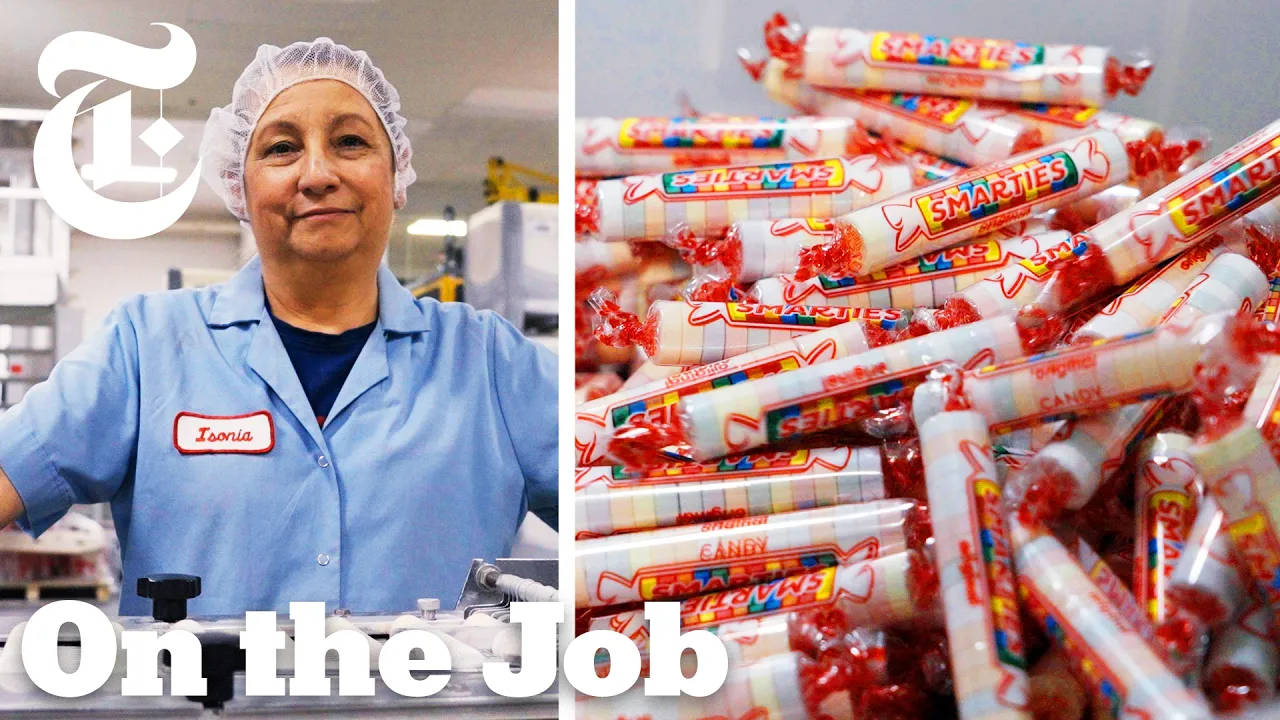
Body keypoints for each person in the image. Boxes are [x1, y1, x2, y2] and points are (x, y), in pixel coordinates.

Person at [0, 38, 557, 615]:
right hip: (201, 707)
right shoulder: (146, 347)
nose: (317, 174)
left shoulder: (491, 363)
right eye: (282, 148)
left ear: (396, 174)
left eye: (350, 142)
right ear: (240, 187)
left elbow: (633, 514)